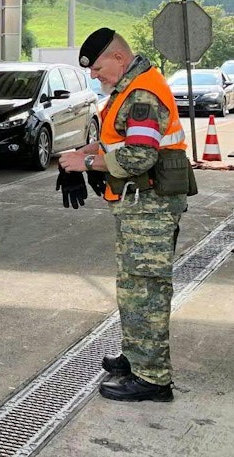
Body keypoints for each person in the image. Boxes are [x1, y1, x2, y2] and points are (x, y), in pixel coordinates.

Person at [59, 27, 195, 403]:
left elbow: (140, 155)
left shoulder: (142, 95)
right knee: (133, 286)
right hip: (138, 205)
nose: (94, 75)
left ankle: (153, 379)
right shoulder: (127, 89)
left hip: (150, 205)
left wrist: (87, 162)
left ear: (119, 59)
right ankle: (137, 356)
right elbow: (113, 142)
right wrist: (77, 157)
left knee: (146, 289)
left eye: (98, 67)